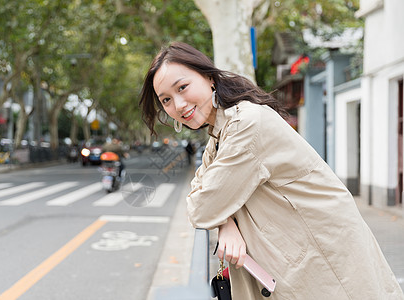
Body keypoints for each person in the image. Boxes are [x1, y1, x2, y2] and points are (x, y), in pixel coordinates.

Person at [139, 42, 404, 299]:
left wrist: (218, 214)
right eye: (166, 100)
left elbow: (202, 207)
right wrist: (226, 223)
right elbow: (202, 191)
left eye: (182, 87)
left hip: (323, 257)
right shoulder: (220, 134)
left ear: (209, 78)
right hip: (298, 256)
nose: (179, 104)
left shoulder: (245, 125)